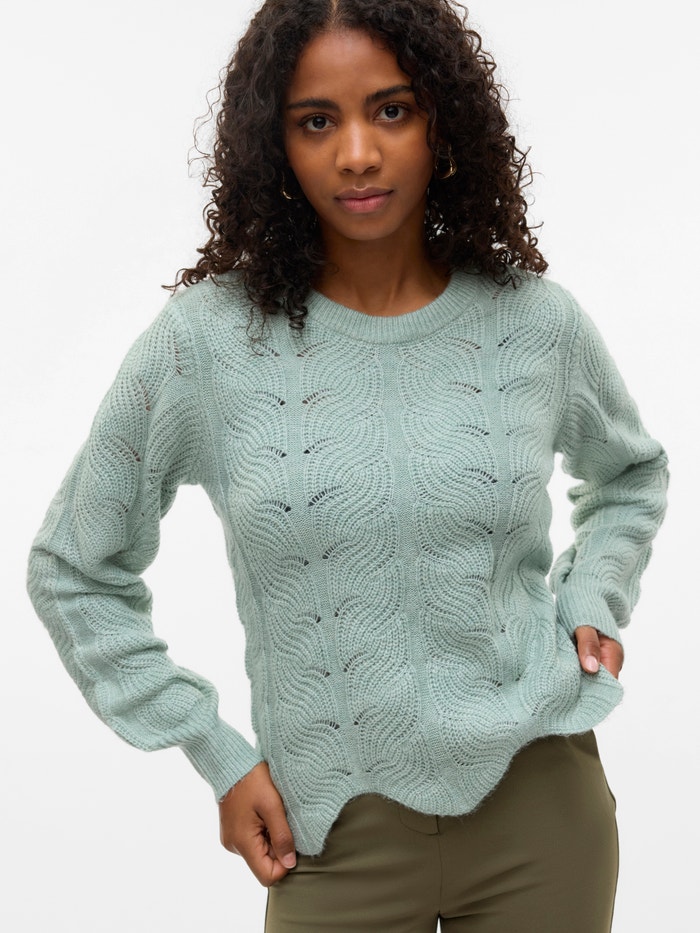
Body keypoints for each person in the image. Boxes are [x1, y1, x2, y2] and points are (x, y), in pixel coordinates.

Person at [26, 1, 669, 930]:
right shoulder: (206, 345)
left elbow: (630, 475)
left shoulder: (535, 322)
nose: (357, 154)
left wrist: (593, 597)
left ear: (444, 120)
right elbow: (73, 567)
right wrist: (216, 752)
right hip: (328, 836)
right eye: (317, 121)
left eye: (392, 110)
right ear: (274, 144)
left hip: (541, 811)